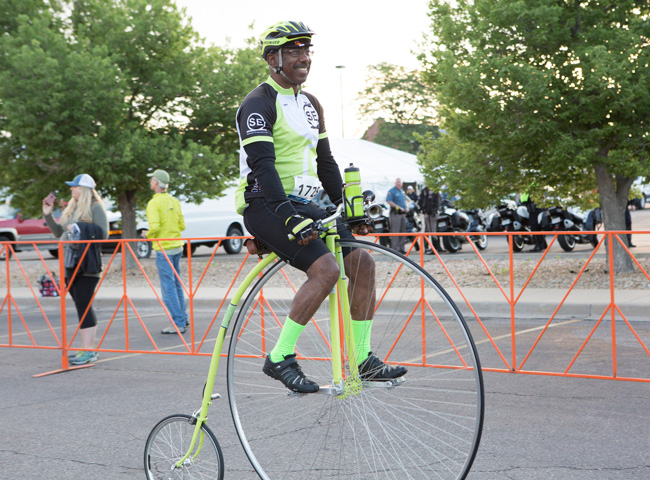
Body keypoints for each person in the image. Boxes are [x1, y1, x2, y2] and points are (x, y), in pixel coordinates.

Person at [235, 20, 406, 393]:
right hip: (266, 202)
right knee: (326, 270)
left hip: (305, 203)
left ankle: (362, 360)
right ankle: (280, 356)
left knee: (362, 262)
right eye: (294, 51)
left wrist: (348, 206)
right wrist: (287, 215)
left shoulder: (310, 103)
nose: (303, 58)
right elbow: (263, 168)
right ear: (272, 58)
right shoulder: (257, 103)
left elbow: (325, 161)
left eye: (306, 50)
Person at [42, 174, 108, 365]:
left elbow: (103, 234)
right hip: (70, 263)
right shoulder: (73, 207)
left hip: (87, 264)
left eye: (74, 186)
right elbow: (59, 233)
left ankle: (90, 351)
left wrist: (78, 227)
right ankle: (86, 349)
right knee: (81, 306)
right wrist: (48, 214)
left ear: (84, 189)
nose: (71, 189)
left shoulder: (95, 207)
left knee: (84, 304)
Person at [144, 169, 188, 334]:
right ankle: (182, 317)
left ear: (156, 182)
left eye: (151, 180)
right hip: (177, 246)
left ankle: (178, 322)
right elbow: (182, 226)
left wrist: (146, 235)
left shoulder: (154, 203)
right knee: (176, 284)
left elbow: (154, 227)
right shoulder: (174, 201)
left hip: (164, 248)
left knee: (168, 287)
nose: (150, 182)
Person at [519, 186, 547, 252]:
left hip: (534, 211)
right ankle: (543, 244)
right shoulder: (534, 186)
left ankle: (538, 246)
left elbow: (523, 200)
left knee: (534, 228)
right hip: (536, 210)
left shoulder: (530, 187)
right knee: (537, 228)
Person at [386, 178, 409, 254]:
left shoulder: (402, 191)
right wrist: (398, 207)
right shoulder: (391, 191)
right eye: (397, 182)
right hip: (395, 214)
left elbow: (405, 200)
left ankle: (401, 248)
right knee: (396, 232)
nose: (399, 184)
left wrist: (407, 207)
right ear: (395, 183)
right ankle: (395, 249)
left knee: (403, 231)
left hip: (403, 214)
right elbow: (389, 201)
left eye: (400, 182)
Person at [418, 186, 441, 254]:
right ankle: (426, 247)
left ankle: (435, 248)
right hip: (426, 213)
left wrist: (435, 210)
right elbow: (420, 200)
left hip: (433, 213)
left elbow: (438, 201)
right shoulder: (424, 190)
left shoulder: (435, 190)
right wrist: (421, 208)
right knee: (426, 231)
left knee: (433, 231)